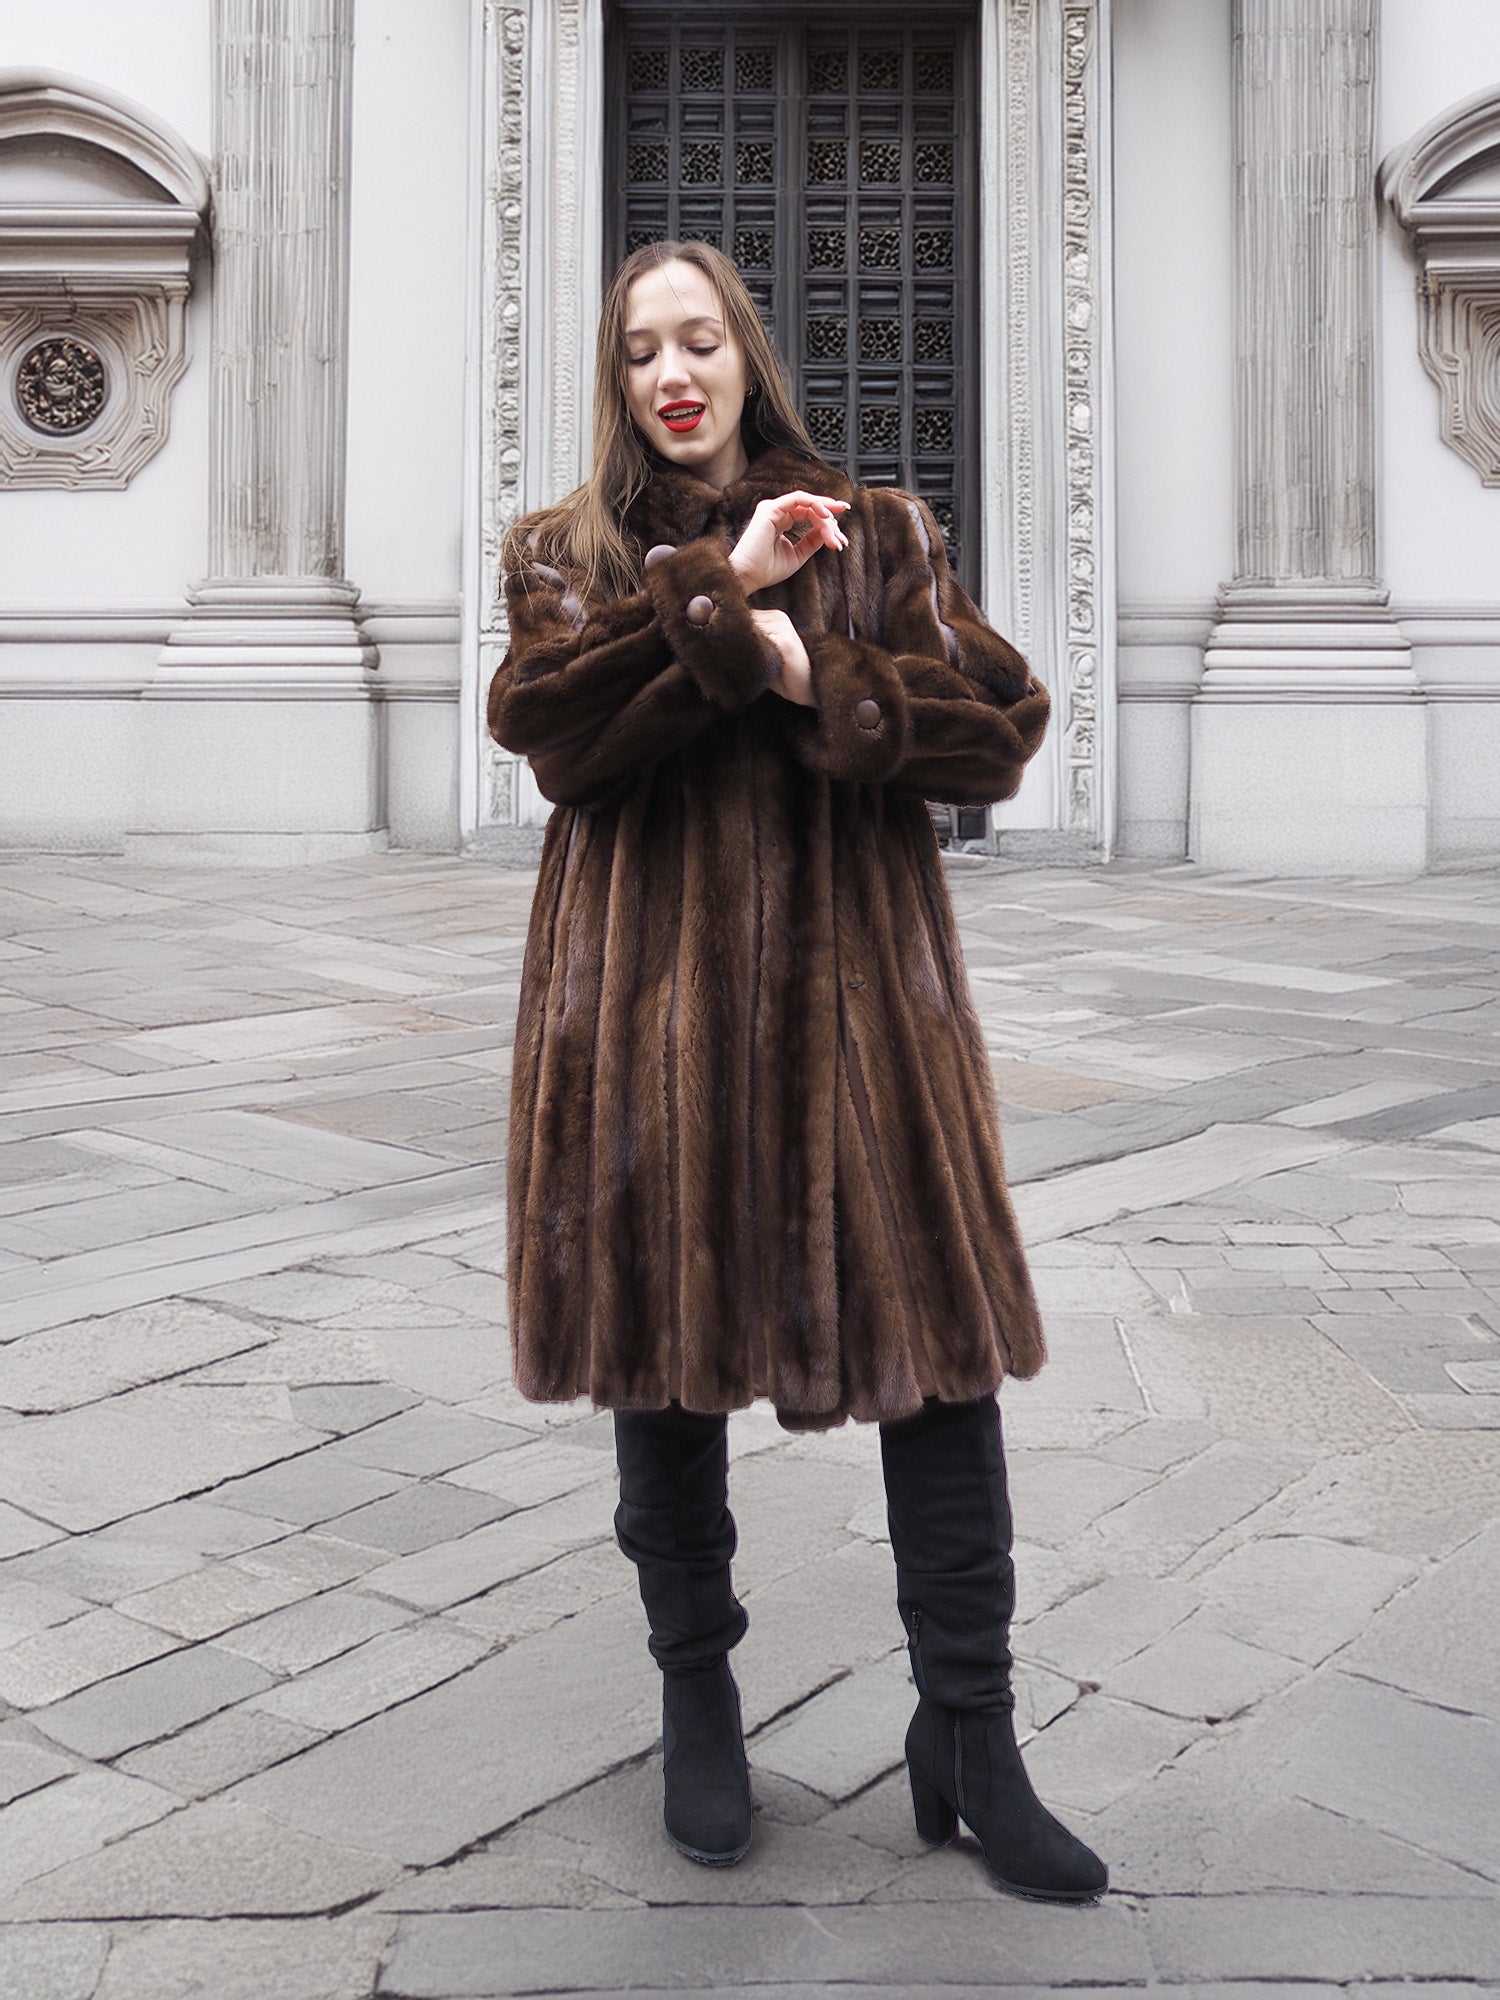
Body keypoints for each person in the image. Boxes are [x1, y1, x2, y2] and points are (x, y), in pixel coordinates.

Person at [487, 240, 1108, 1905]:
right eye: (640, 351)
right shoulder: (569, 556)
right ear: (614, 380)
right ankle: (701, 1703)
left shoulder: (874, 533)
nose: (673, 374)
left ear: (749, 355)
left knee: (943, 1370)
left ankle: (969, 1734)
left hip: (863, 1032)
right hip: (647, 1036)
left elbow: (999, 733)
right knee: (661, 1376)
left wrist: (787, 652)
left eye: (700, 341)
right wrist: (709, 590)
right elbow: (550, 735)